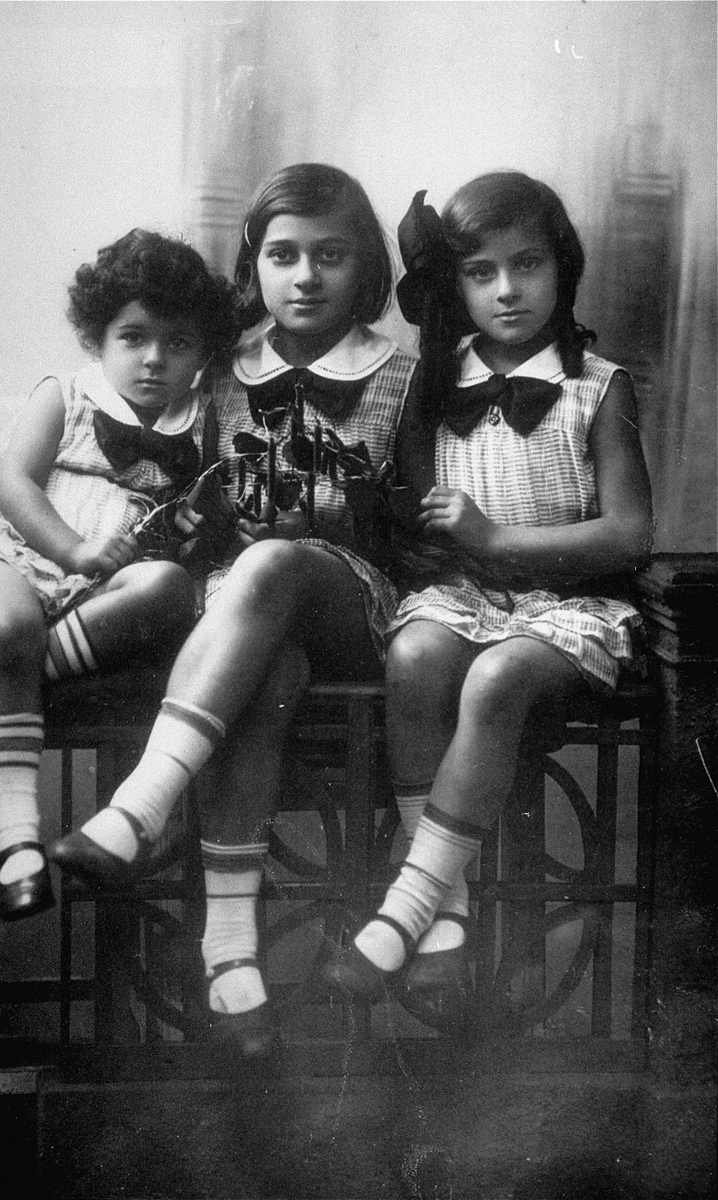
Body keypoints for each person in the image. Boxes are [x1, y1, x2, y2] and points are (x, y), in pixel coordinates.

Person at [49, 163, 418, 1058]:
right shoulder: (217, 371)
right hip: (244, 621)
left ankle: (141, 806)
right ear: (253, 264)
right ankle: (230, 952)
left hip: (353, 604)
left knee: (274, 562)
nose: (305, 276)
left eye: (330, 256)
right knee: (266, 664)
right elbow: (158, 491)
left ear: (363, 267)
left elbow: (415, 529)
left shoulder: (401, 376)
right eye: (283, 254)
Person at [322, 171, 654, 1028]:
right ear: (454, 285)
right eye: (479, 272)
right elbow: (418, 514)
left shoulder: (597, 385)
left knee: (496, 680)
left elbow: (627, 535)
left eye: (527, 264)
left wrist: (498, 539)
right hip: (463, 595)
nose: (507, 290)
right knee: (416, 653)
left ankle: (408, 898)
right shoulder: (432, 384)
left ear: (561, 267)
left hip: (570, 606)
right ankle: (449, 914)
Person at [0, 229, 238, 922]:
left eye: (178, 343)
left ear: (203, 355)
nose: (154, 358)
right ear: (98, 337)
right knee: (9, 622)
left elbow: (185, 530)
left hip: (100, 592)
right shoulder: (65, 395)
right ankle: (16, 845)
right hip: (13, 553)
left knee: (167, 590)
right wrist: (71, 551)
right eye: (133, 337)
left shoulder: (201, 426)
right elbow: (15, 488)